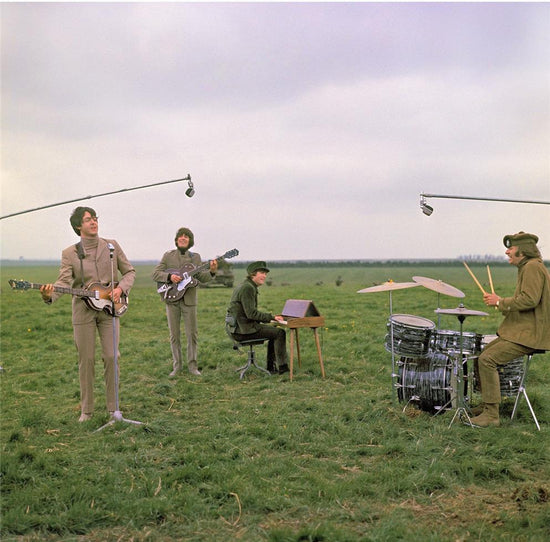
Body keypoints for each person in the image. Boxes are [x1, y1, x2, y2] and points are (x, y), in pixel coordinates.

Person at [40, 207, 135, 422]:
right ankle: (87, 411)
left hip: (110, 309)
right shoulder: (69, 253)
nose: (93, 222)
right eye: (88, 220)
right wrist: (49, 295)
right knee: (87, 360)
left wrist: (121, 289)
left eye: (95, 218)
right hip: (83, 312)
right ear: (78, 226)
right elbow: (63, 283)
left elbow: (129, 271)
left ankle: (114, 409)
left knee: (112, 356)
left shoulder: (112, 246)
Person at [471, 231, 550, 427]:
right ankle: (486, 405)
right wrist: (500, 304)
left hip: (529, 335)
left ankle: (491, 415)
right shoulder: (528, 266)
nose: (507, 252)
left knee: (487, 360)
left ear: (522, 252)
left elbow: (529, 300)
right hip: (523, 331)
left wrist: (500, 301)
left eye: (511, 248)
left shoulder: (532, 267)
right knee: (483, 355)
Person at [151, 227, 218, 376]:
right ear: (176, 240)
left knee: (192, 334)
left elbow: (203, 278)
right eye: (180, 236)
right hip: (172, 300)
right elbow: (155, 274)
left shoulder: (196, 257)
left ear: (190, 241)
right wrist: (170, 278)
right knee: (174, 335)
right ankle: (177, 367)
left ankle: (193, 367)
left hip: (189, 300)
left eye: (186, 237)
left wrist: (212, 271)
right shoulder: (168, 256)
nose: (183, 238)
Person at [226, 261, 289, 374]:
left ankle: (272, 367)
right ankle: (282, 369)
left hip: (238, 328)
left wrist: (270, 318)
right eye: (261, 273)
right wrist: (272, 317)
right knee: (279, 333)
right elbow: (251, 314)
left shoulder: (245, 285)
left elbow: (249, 313)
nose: (264, 276)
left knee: (274, 332)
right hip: (243, 331)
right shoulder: (248, 288)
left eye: (265, 273)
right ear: (252, 274)